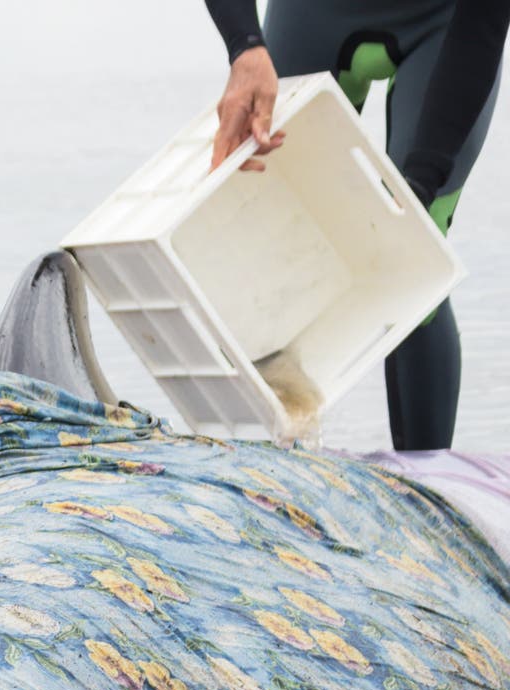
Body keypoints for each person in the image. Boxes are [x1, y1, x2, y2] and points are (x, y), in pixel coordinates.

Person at [204, 0, 510, 452]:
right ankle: (273, 465)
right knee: (278, 231)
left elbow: (483, 21)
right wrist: (245, 47)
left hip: (444, 21)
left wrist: (420, 183)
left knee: (415, 258)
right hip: (315, 13)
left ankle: (425, 477)